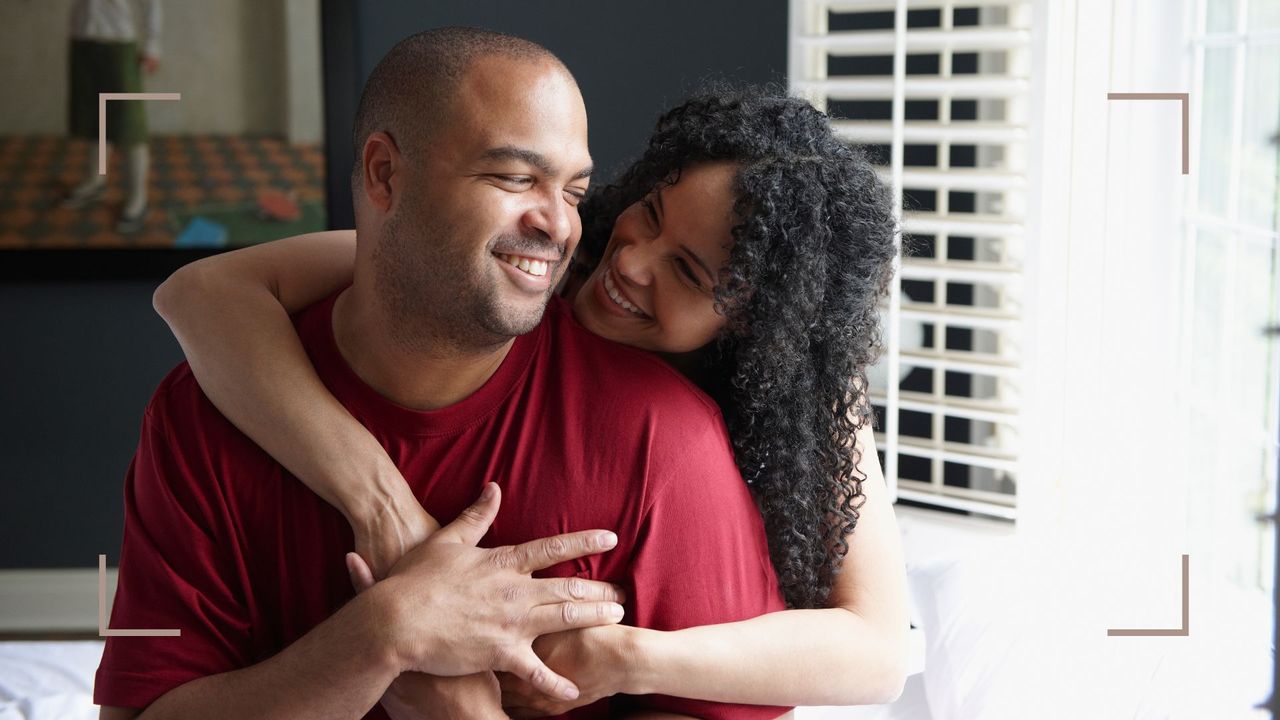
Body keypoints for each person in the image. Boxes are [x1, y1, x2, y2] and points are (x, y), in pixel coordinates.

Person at [150, 77, 911, 716]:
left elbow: (877, 653)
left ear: (755, 325)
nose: (633, 260)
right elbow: (203, 292)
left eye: (686, 272)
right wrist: (389, 514)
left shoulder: (804, 397)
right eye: (648, 214)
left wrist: (622, 655)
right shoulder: (530, 266)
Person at [63, 0, 160, 233]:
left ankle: (139, 198)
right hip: (82, 40)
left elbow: (151, 4)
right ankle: (96, 181)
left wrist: (152, 46)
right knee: (94, 115)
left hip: (118, 43)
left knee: (130, 123)